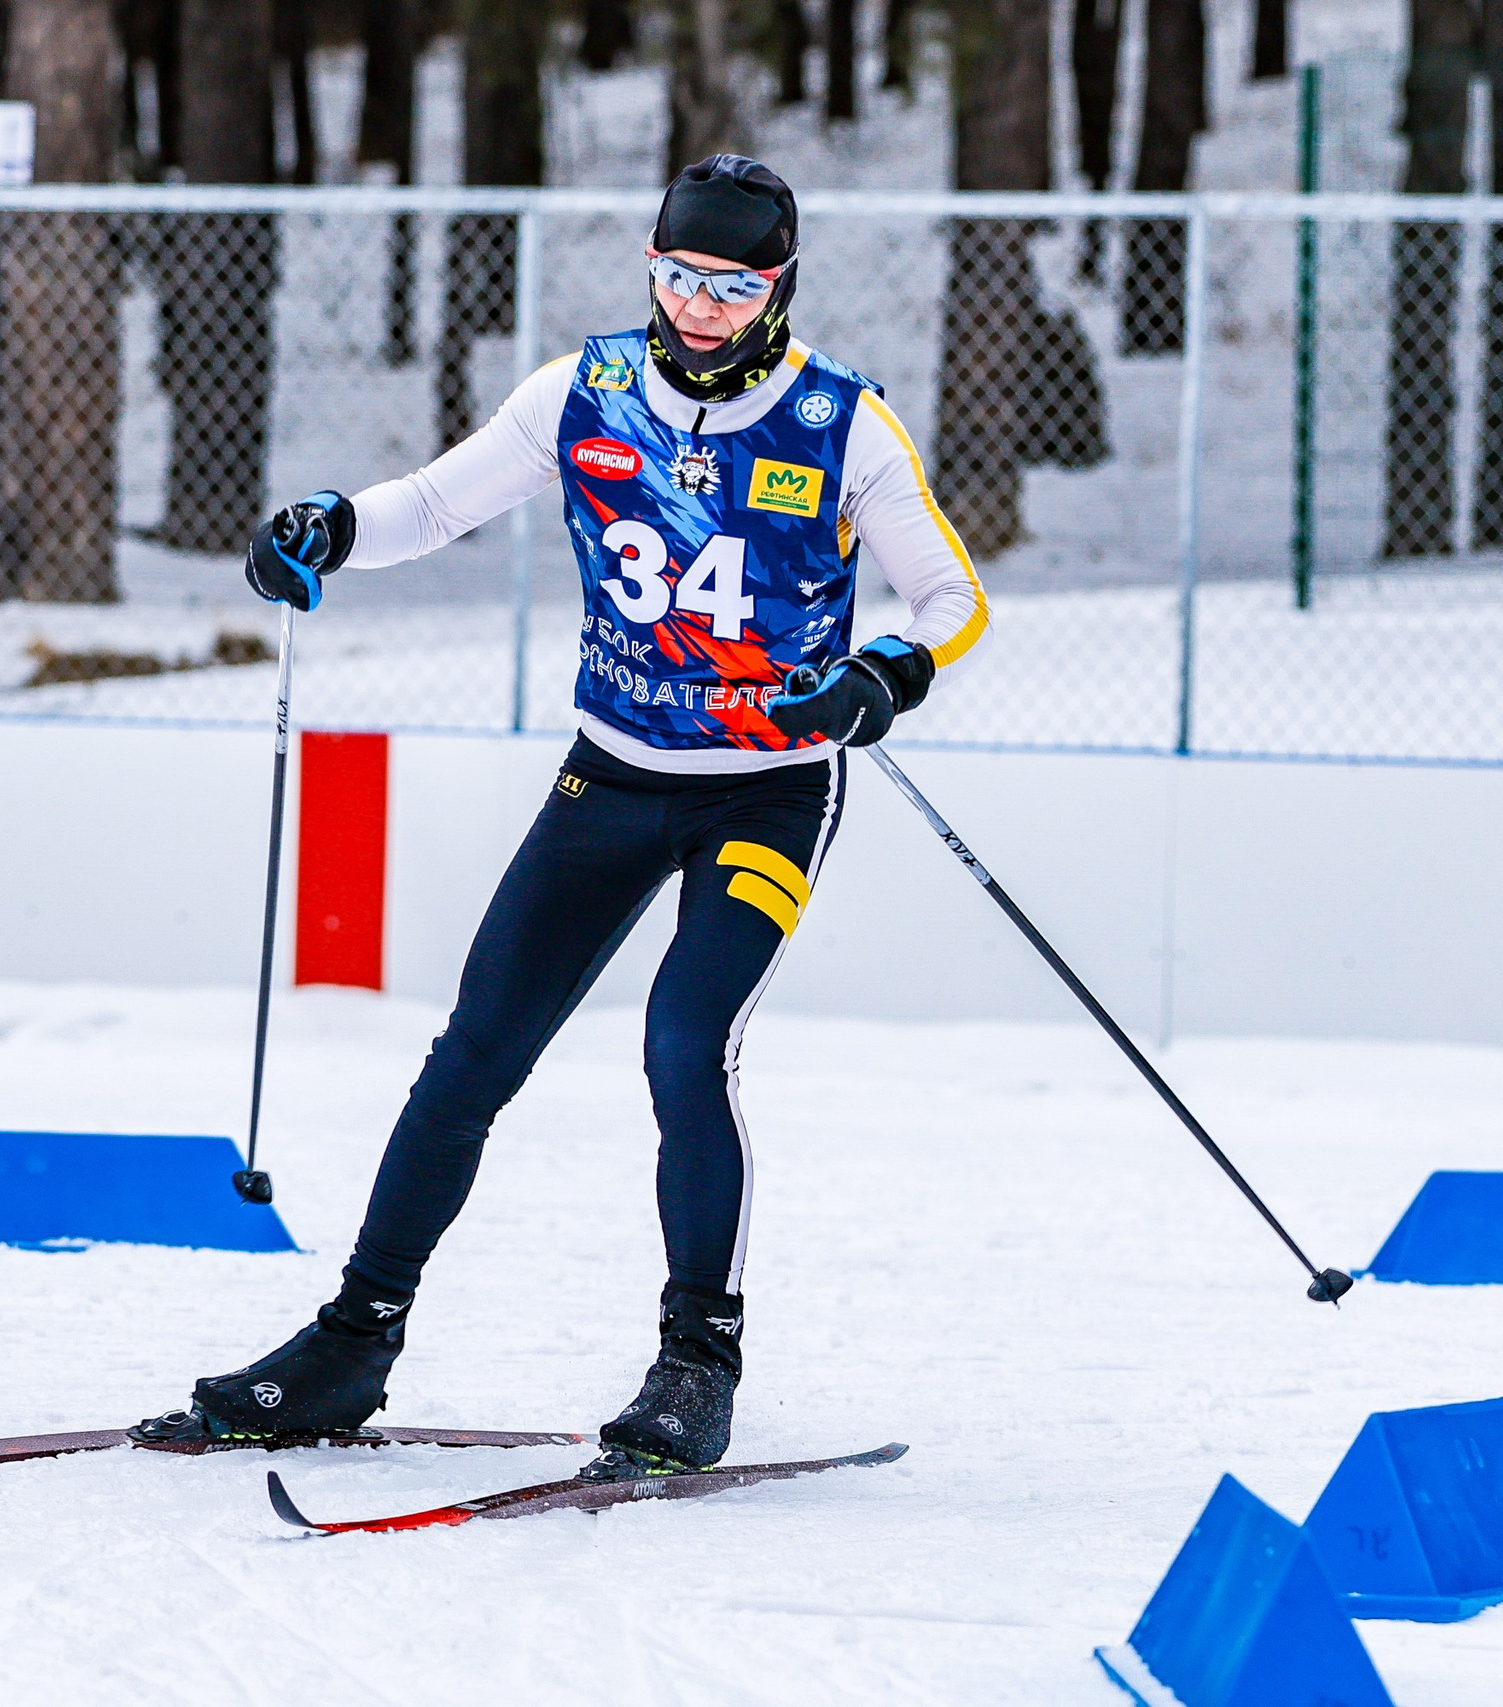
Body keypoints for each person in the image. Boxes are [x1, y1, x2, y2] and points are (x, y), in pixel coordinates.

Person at [134, 155, 989, 1479]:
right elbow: (432, 505)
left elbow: (951, 597)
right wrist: (328, 527)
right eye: (678, 276)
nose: (701, 306)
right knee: (473, 1053)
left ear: (779, 286)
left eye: (734, 284)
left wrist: (884, 675)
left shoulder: (839, 424)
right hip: (614, 777)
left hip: (766, 788)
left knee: (682, 1045)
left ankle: (696, 1363)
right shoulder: (579, 394)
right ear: (650, 267)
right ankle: (353, 1340)